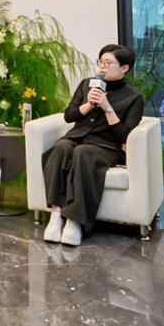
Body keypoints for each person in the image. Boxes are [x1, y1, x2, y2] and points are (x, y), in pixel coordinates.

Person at [41, 44, 145, 246]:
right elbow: (69, 116)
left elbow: (124, 136)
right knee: (60, 148)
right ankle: (55, 215)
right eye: (101, 62)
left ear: (124, 68)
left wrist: (107, 108)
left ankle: (75, 221)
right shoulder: (87, 84)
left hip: (106, 147)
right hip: (76, 137)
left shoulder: (134, 98)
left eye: (108, 63)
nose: (102, 67)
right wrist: (88, 104)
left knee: (83, 153)